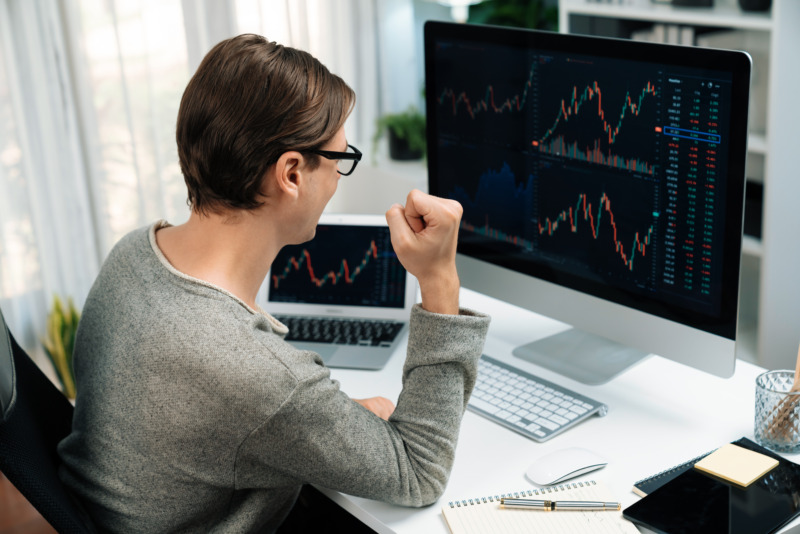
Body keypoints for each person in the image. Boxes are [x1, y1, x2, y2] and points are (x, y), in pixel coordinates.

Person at [58, 34, 489, 533]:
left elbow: (208, 404)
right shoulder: (253, 373)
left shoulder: (135, 253)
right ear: (291, 174)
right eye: (339, 159)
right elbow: (418, 473)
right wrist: (438, 276)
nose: (337, 177)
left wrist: (315, 420)